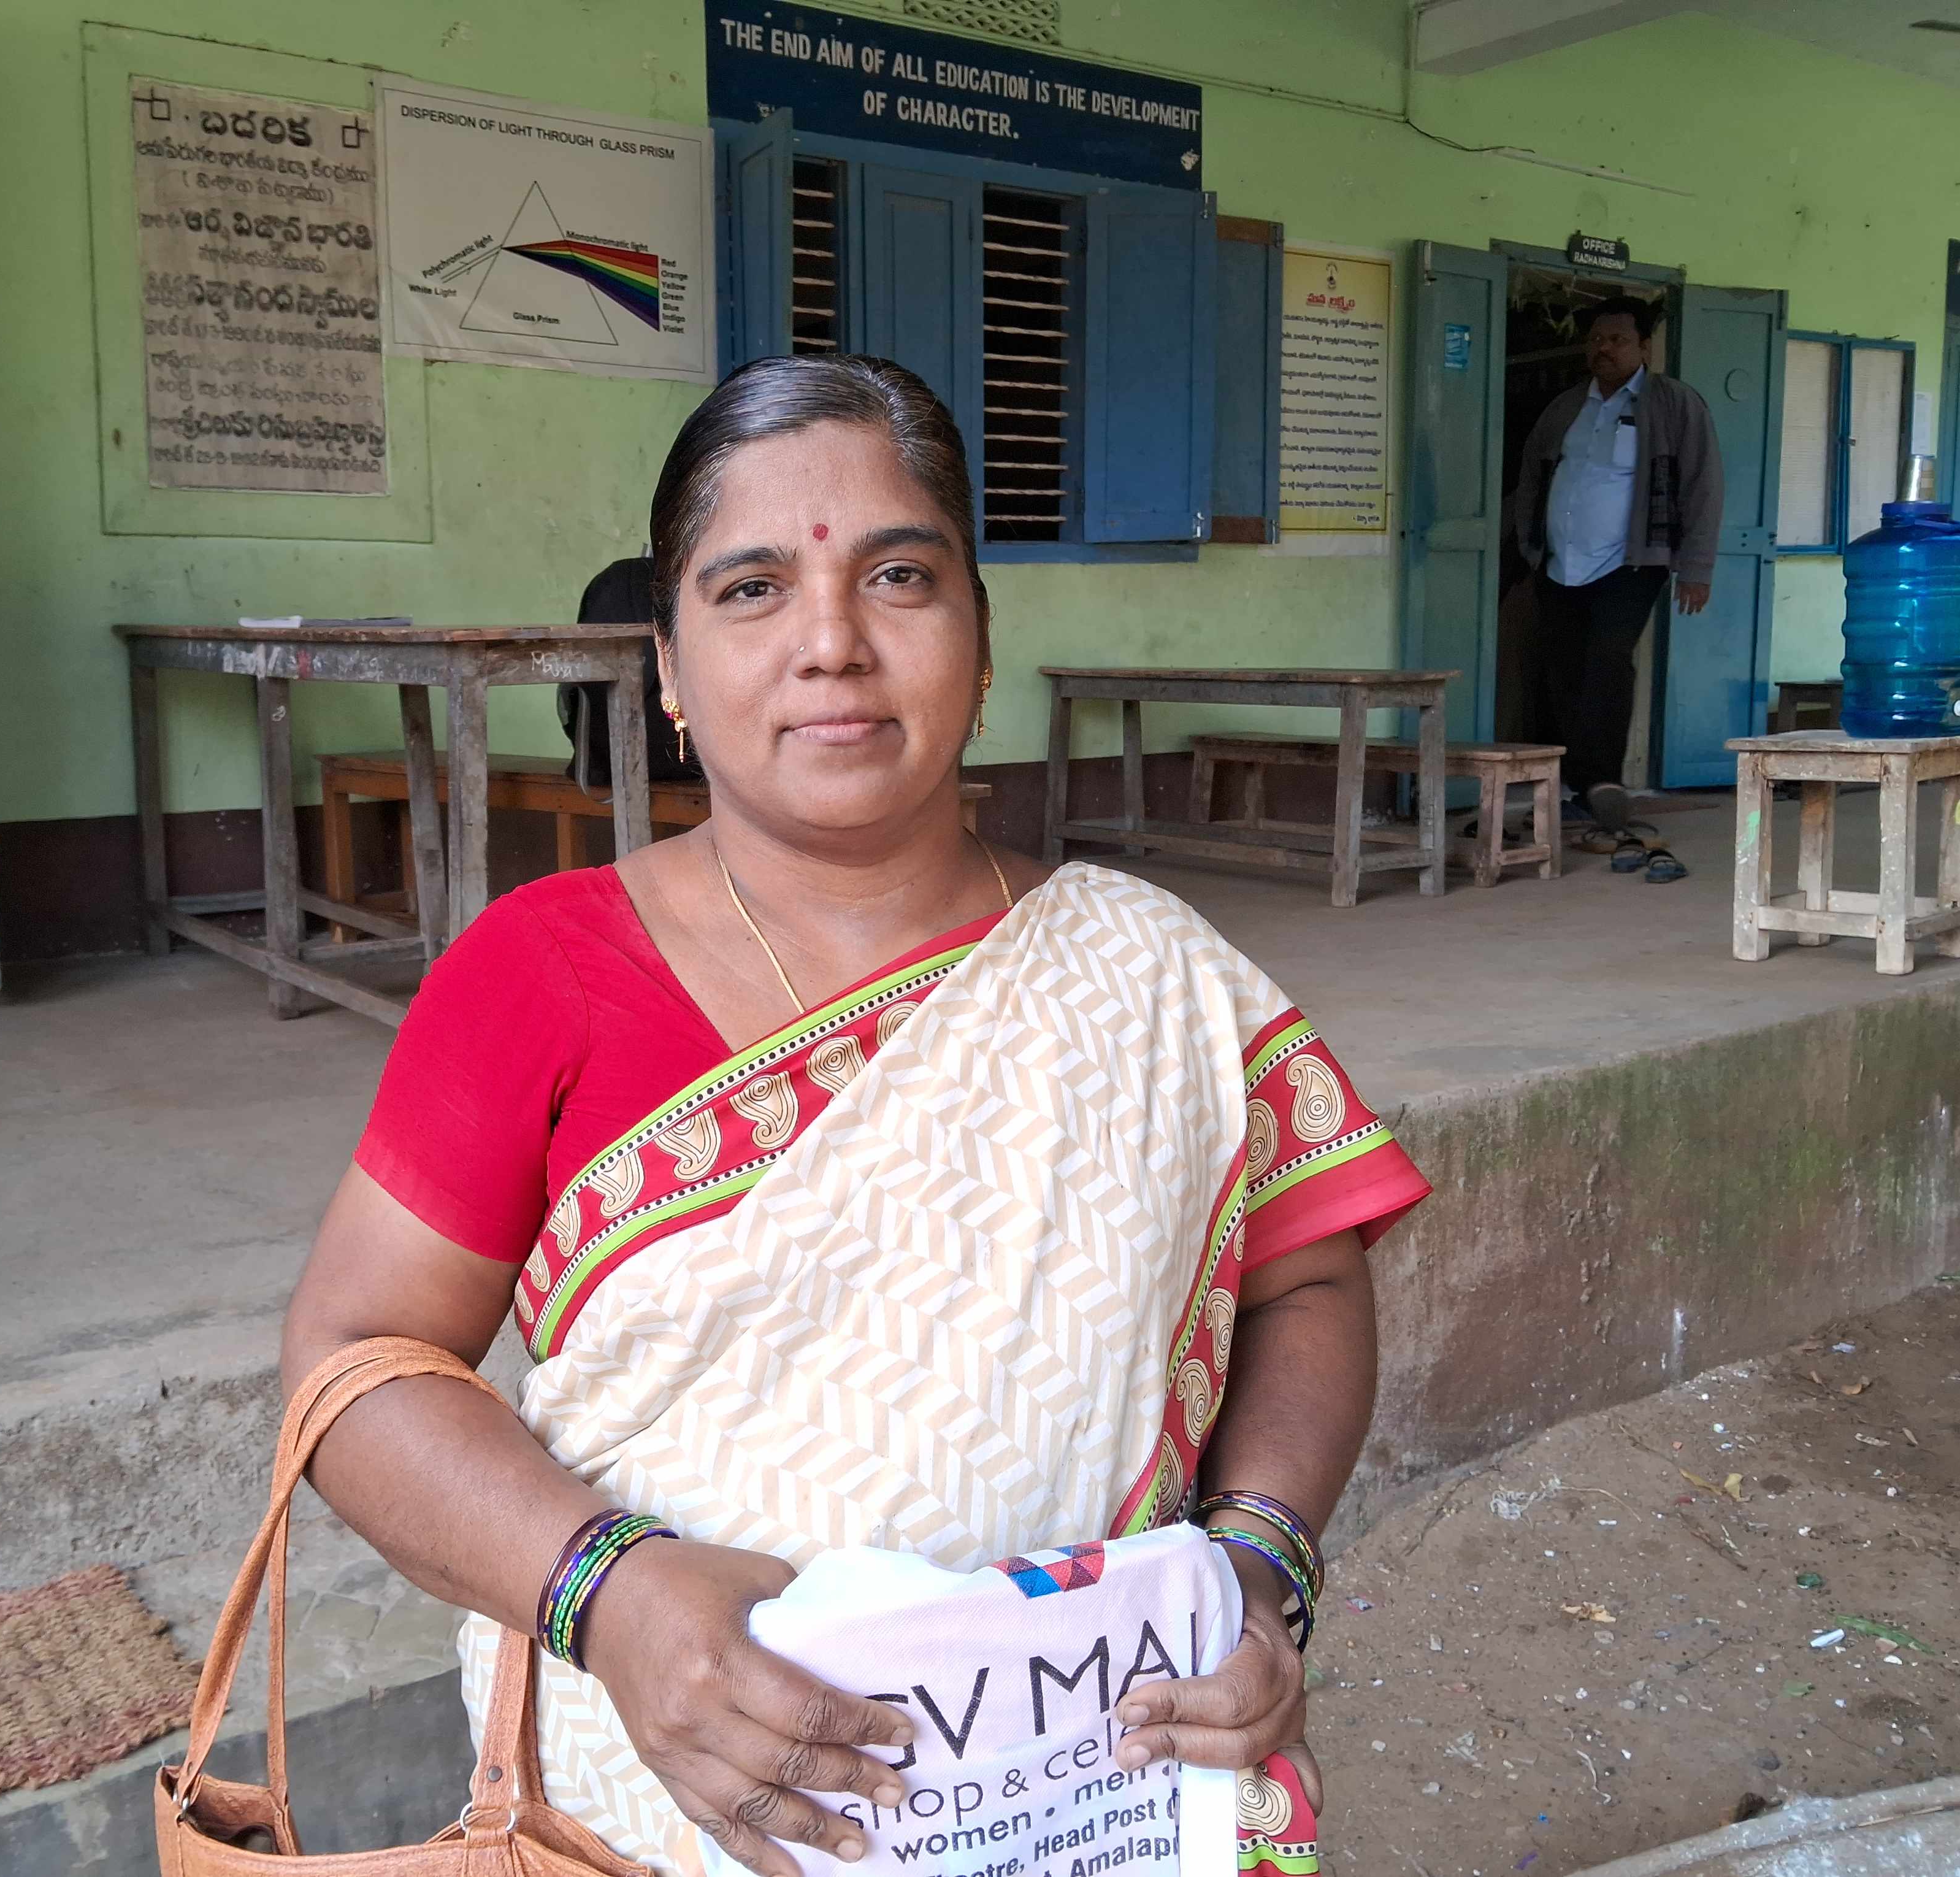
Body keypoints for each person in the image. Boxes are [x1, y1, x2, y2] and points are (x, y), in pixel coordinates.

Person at [282, 355, 1430, 1877]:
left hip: (1091, 1802)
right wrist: (609, 1594)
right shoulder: (539, 973)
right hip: (665, 1812)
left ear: (979, 638)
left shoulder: (1148, 968)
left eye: (898, 575)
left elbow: (1308, 1281)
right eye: (752, 589)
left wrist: (1254, 1570)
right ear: (669, 668)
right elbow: (353, 1364)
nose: (830, 643)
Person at [1511, 293, 1725, 830]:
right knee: (1562, 670)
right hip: (1559, 564)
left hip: (1630, 563)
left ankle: (1603, 781)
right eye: (1596, 340)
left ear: (1644, 348)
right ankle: (1576, 783)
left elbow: (1703, 485)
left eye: (1617, 340)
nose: (1603, 349)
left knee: (1608, 660)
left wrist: (1696, 568)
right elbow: (1533, 475)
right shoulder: (1566, 407)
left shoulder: (1674, 404)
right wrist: (1529, 549)